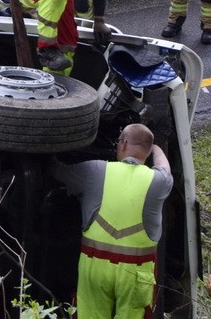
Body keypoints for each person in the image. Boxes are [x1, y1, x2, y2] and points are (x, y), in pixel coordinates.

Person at [49, 123, 173, 319]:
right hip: (136, 272)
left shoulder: (95, 170)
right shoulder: (159, 181)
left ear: (123, 144)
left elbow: (57, 171)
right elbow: (164, 166)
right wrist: (155, 147)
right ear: (147, 152)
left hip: (94, 265)